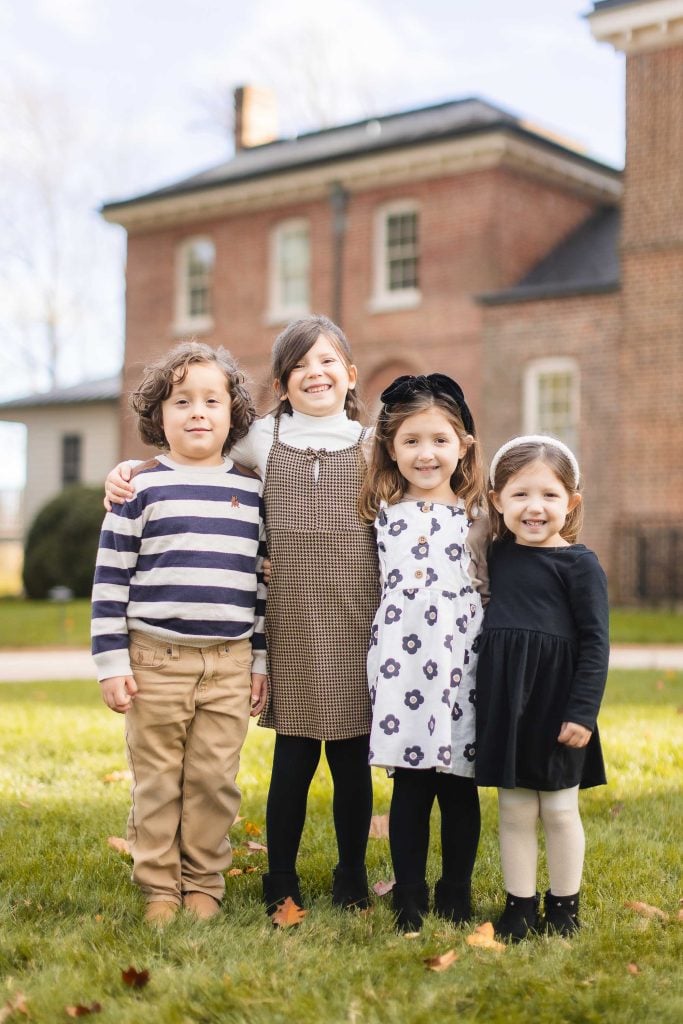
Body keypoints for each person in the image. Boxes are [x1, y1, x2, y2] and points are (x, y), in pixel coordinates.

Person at [104, 315, 380, 915]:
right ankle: (274, 877)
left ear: (351, 375)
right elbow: (193, 455)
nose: (316, 373)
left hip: (354, 624)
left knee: (348, 761)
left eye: (328, 361)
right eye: (300, 364)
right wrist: (130, 470)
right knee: (293, 758)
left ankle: (350, 874)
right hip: (288, 628)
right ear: (279, 385)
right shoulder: (263, 440)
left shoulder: (371, 444)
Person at [92, 341, 268, 925]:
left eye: (211, 400)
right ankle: (160, 889)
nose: (197, 411)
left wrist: (260, 662)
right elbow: (111, 580)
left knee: (215, 781)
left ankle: (204, 884)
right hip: (154, 660)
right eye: (181, 400)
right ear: (158, 416)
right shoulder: (138, 488)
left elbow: (262, 587)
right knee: (159, 781)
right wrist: (112, 663)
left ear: (232, 415)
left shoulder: (252, 490)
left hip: (229, 661)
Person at [358, 373, 489, 933]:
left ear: (463, 446)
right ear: (390, 447)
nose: (426, 453)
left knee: (460, 782)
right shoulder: (380, 512)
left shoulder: (481, 516)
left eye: (439, 439)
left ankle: (455, 891)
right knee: (411, 783)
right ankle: (408, 894)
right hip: (403, 667)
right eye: (411, 441)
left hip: (462, 660)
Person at [475, 435, 609, 941]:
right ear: (497, 501)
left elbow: (597, 644)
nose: (535, 507)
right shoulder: (497, 555)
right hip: (509, 704)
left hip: (559, 707)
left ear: (571, 503)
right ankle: (520, 906)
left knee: (557, 808)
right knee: (513, 810)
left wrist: (583, 713)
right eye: (520, 495)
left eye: (550, 495)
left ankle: (564, 905)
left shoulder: (580, 565)